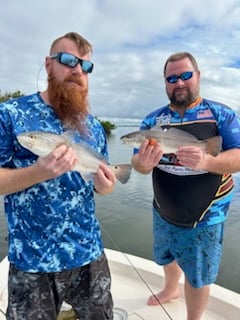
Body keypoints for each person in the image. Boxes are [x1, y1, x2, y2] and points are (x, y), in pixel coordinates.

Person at [0, 32, 116, 320]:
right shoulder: (10, 114)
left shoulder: (92, 126)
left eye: (86, 66)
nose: (78, 70)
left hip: (89, 254)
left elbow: (102, 187)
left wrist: (104, 185)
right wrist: (38, 172)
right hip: (32, 262)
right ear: (48, 64)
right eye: (68, 60)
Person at [131, 52, 240, 320]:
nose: (179, 82)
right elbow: (137, 163)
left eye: (185, 75)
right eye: (171, 78)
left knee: (198, 273)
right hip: (163, 209)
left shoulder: (220, 114)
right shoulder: (152, 121)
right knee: (167, 255)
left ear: (198, 76)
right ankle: (170, 289)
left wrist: (207, 161)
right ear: (165, 83)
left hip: (205, 216)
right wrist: (143, 164)